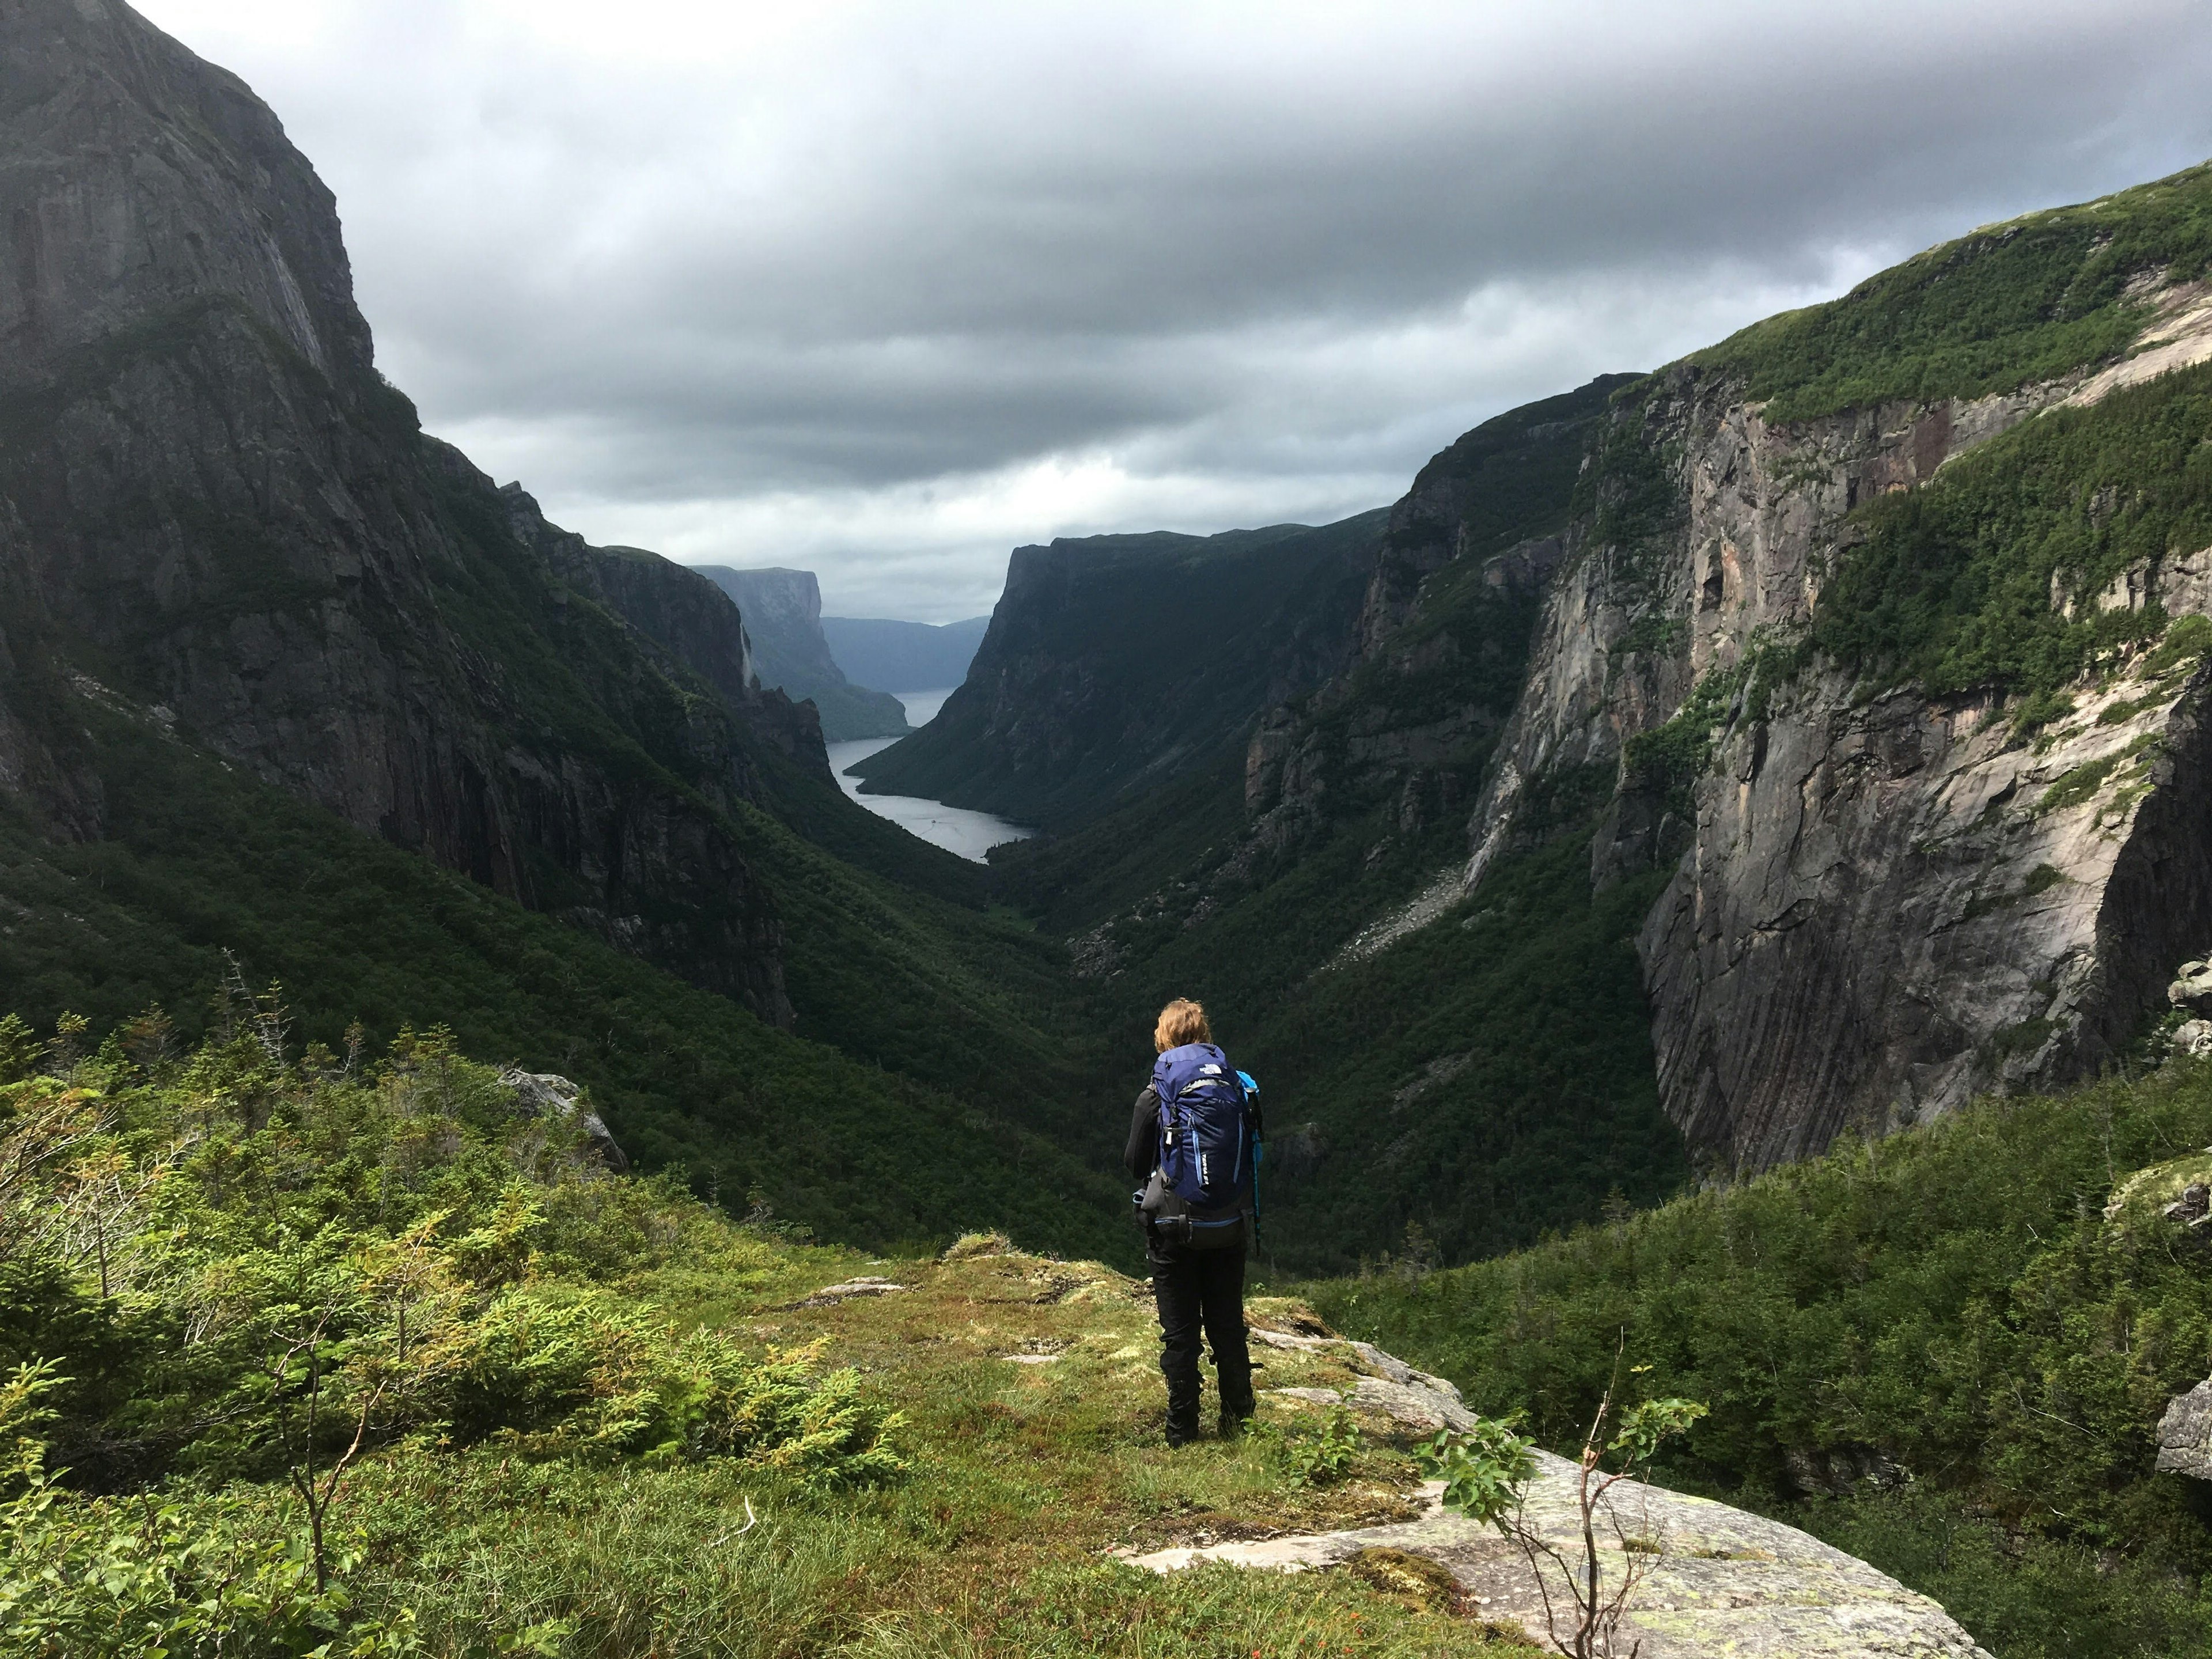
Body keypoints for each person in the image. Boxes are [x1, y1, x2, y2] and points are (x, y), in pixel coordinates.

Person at [1124, 997, 1256, 1447]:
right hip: (1229, 1223)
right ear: (1205, 1037)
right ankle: (1240, 1424)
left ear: (1163, 1038)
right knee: (1227, 1327)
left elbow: (1135, 1161)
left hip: (1174, 1231)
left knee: (1181, 1335)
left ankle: (1182, 1431)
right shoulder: (1236, 1085)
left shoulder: (1156, 1092)